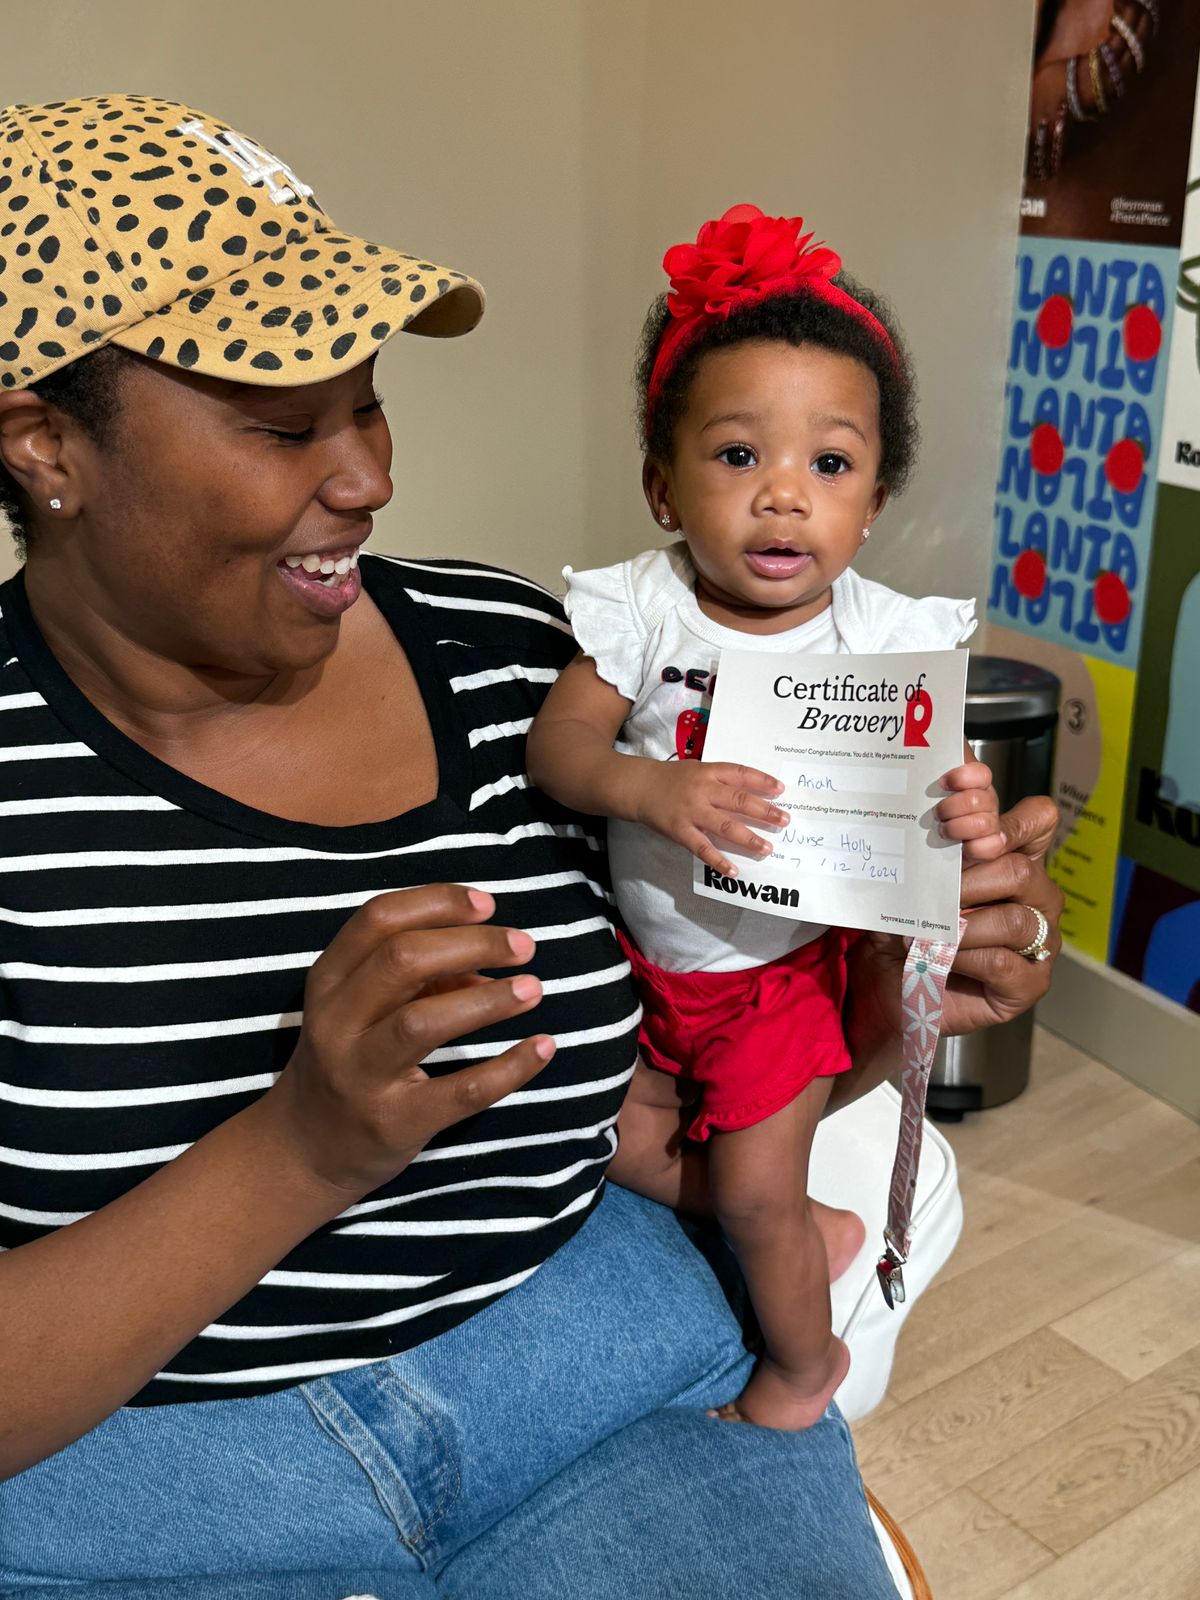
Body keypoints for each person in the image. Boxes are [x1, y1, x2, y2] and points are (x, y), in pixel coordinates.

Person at [0, 96, 1061, 1599]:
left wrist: (920, 963)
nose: (367, 478)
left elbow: (709, 1039)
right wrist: (304, 1146)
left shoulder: (517, 658)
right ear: (47, 445)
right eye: (285, 425)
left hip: (610, 1370)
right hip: (150, 1483)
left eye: (368, 403)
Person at [527, 204, 1006, 1430]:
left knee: (746, 1191)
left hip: (779, 979)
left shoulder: (880, 637)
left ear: (874, 500)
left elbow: (933, 785)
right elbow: (559, 749)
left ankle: (802, 1365)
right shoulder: (644, 608)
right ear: (663, 485)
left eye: (829, 466)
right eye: (739, 455)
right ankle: (816, 1220)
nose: (784, 496)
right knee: (596, 1139)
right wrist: (649, 786)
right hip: (643, 965)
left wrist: (961, 806)